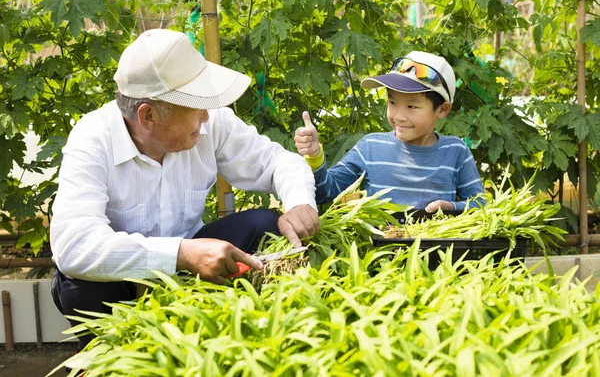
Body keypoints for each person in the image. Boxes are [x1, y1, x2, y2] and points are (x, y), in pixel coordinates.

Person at [50, 29, 320, 349]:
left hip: (191, 267)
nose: (207, 116)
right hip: (121, 281)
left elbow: (278, 162)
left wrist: (300, 202)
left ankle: (227, 340)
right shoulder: (93, 139)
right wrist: (181, 254)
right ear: (148, 115)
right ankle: (104, 359)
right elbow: (75, 246)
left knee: (266, 225)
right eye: (195, 106)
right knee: (83, 286)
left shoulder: (210, 123)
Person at [294, 51, 484, 212]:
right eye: (392, 102)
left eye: (411, 106)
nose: (399, 116)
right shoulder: (370, 148)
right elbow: (325, 192)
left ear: (442, 110)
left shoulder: (455, 151)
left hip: (435, 251)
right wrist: (314, 156)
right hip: (380, 251)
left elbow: (480, 204)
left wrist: (452, 207)